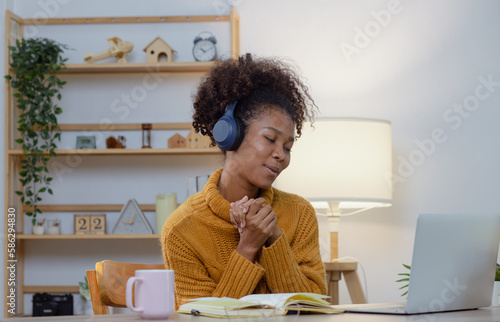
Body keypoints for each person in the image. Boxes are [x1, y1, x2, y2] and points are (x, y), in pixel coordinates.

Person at [161, 53, 326, 310]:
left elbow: (313, 310)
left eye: (288, 147)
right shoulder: (182, 230)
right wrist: (248, 246)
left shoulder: (299, 214)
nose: (280, 155)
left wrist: (273, 236)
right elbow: (199, 318)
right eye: (270, 139)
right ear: (231, 135)